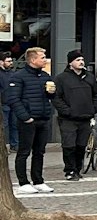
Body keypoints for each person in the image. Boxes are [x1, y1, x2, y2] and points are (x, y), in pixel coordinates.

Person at [5, 47, 54, 193]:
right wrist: (26, 117)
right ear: (33, 60)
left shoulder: (45, 76)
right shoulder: (18, 76)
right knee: (24, 151)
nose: (45, 59)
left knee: (40, 151)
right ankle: (23, 182)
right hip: (28, 120)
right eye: (42, 57)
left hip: (43, 118)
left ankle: (38, 180)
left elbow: (49, 98)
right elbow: (13, 99)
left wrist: (51, 93)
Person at [53, 51, 96, 181]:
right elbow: (56, 97)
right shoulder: (61, 78)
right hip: (68, 119)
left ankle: (77, 169)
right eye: (78, 60)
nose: (81, 62)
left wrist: (94, 109)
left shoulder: (89, 77)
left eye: (82, 59)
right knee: (69, 145)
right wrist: (67, 111)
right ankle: (69, 170)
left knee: (81, 145)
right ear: (70, 62)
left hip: (85, 117)